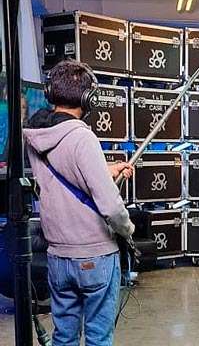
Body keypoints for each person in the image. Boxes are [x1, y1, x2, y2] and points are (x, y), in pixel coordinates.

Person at [23, 59, 135, 346]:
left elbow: (64, 169)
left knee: (64, 337)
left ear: (50, 93)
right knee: (98, 337)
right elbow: (110, 206)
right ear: (88, 99)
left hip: (58, 256)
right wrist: (127, 229)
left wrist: (107, 169)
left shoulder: (35, 136)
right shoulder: (82, 137)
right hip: (95, 255)